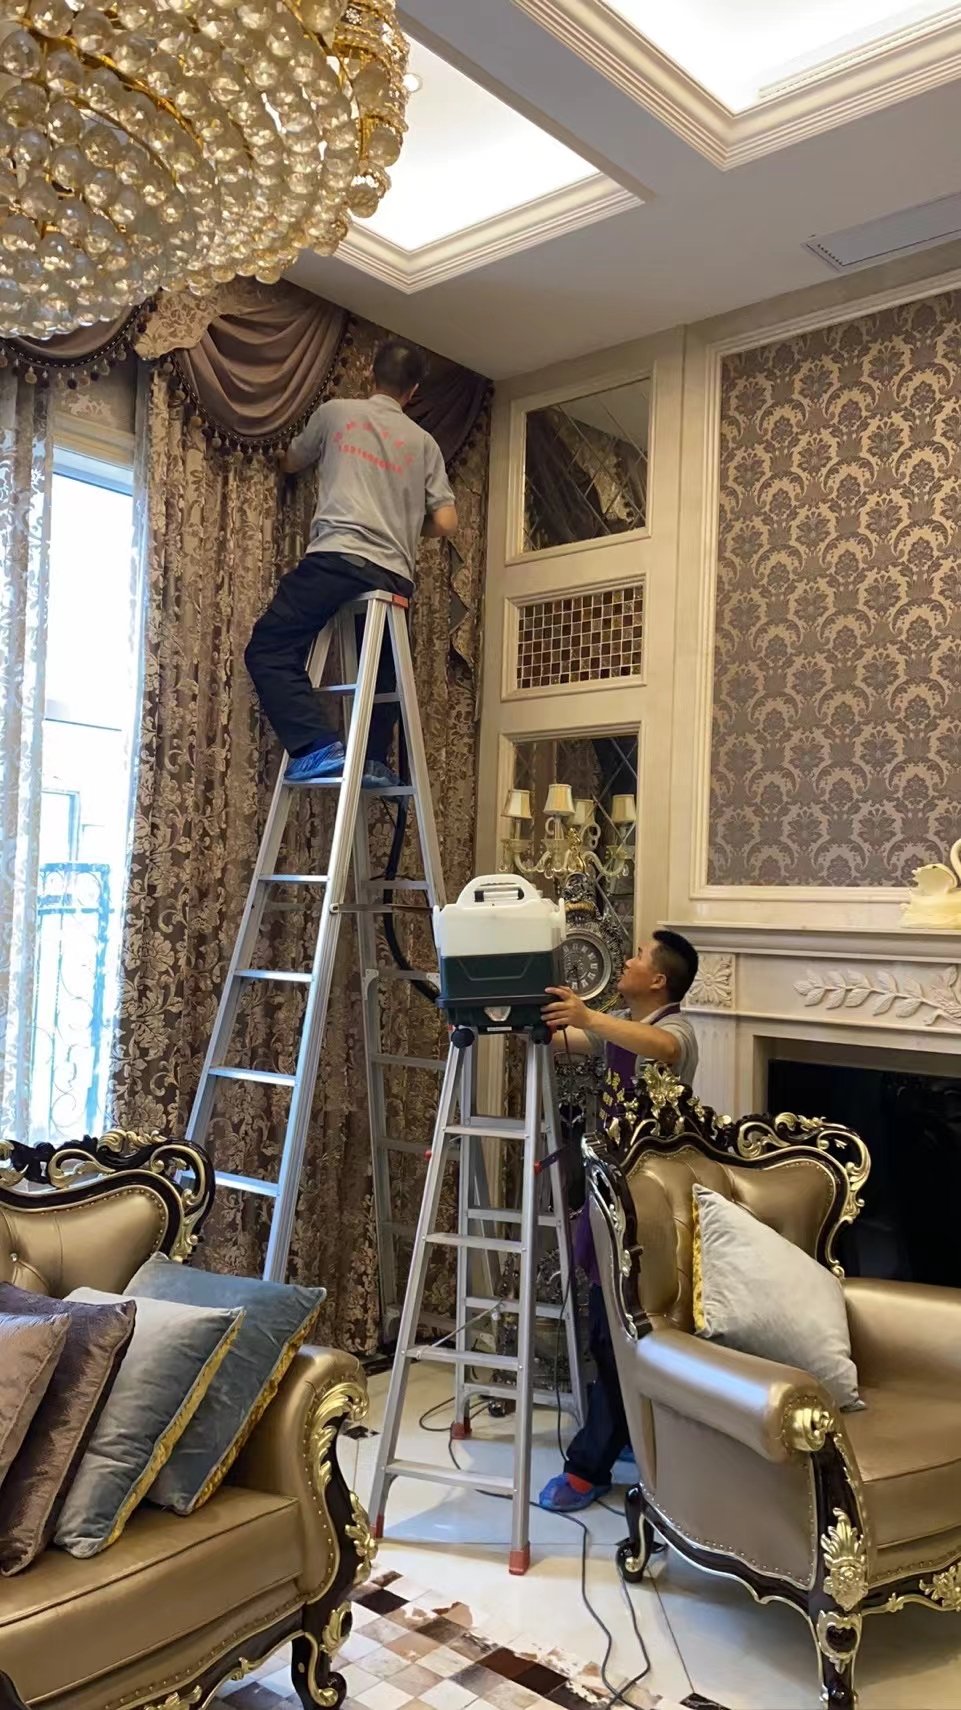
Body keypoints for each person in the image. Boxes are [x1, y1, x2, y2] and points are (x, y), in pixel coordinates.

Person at [245, 339, 458, 787]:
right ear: (413, 391)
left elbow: (292, 460)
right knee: (381, 673)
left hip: (336, 557)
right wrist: (404, 522)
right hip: (392, 575)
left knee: (269, 648)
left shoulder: (336, 413)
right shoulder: (424, 443)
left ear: (369, 374)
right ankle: (373, 759)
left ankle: (316, 745)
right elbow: (446, 521)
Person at [538, 929, 699, 1513]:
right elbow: (570, 1039)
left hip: (645, 1211)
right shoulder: (620, 1028)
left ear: (658, 979)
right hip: (610, 1193)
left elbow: (662, 1047)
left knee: (617, 1333)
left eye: (637, 957)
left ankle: (589, 1465)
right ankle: (626, 1429)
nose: (626, 962)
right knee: (606, 1329)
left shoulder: (677, 1030)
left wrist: (589, 1018)